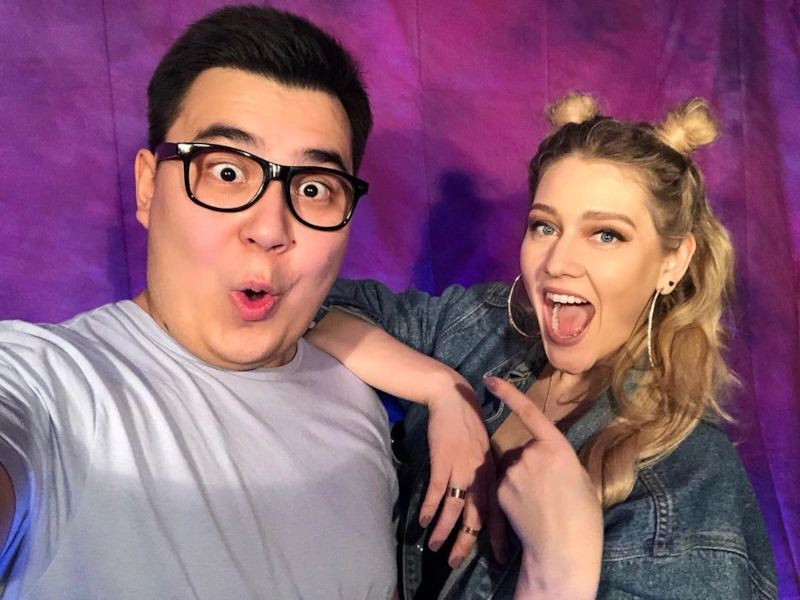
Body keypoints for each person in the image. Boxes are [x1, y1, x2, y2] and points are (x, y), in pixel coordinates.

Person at [0, 5, 491, 598]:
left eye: (313, 187)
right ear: (149, 187)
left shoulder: (356, 398)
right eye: (227, 172)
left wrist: (446, 391)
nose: (269, 228)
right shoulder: (50, 384)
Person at [307, 93, 779, 598]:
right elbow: (303, 303)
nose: (557, 263)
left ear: (673, 262)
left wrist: (557, 570)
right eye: (545, 226)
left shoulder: (690, 487)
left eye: (606, 235)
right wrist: (442, 390)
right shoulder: (484, 326)